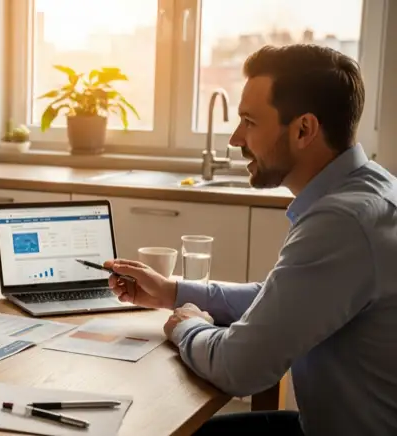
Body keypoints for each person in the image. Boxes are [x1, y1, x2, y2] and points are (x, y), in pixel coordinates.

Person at [105, 44, 397, 436]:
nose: (235, 138)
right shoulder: (371, 187)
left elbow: (238, 368)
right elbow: (282, 299)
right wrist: (171, 291)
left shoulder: (341, 221)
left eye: (249, 121)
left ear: (303, 129)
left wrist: (185, 326)